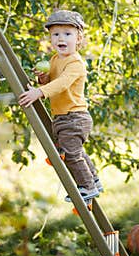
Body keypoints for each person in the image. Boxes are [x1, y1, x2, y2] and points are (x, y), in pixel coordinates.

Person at [19, 10, 103, 202]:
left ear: (78, 38)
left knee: (72, 155)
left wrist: (39, 92)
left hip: (75, 117)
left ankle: (88, 187)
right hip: (62, 117)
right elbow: (53, 80)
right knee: (76, 151)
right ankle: (94, 179)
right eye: (56, 34)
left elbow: (62, 83)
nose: (60, 38)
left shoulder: (76, 62)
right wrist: (43, 79)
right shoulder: (55, 59)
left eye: (67, 33)